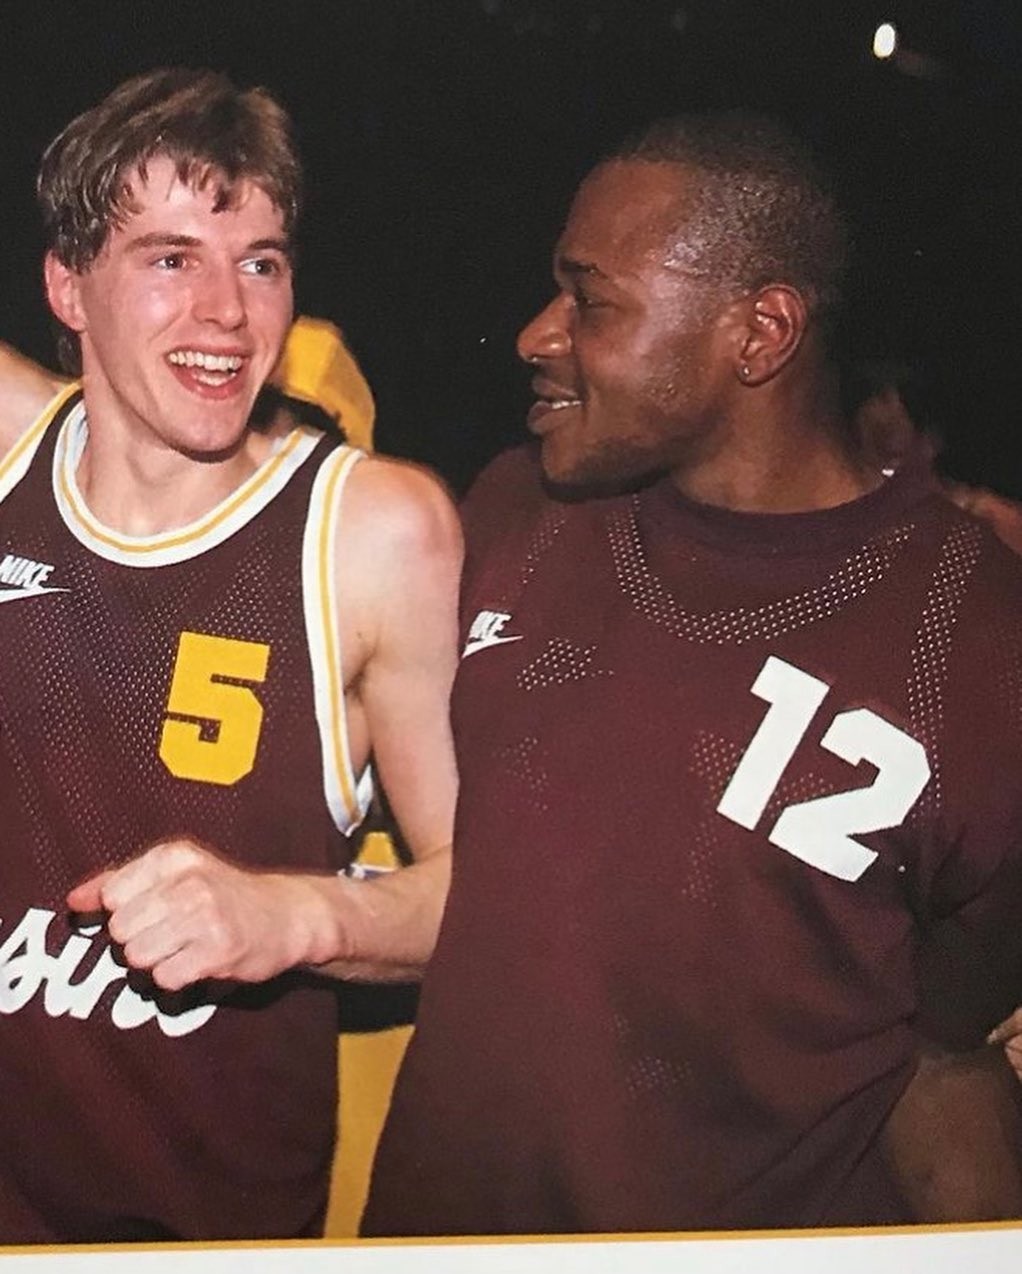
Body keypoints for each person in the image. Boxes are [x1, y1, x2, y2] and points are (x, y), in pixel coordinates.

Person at [362, 112, 1022, 1236]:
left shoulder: (975, 642)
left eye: (591, 300)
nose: (535, 334)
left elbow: (944, 1048)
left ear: (759, 334)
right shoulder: (517, 511)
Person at [0, 67, 460, 1242]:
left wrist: (293, 916)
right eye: (170, 259)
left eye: (259, 263)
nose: (226, 313)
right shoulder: (11, 454)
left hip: (204, 1233)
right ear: (67, 286)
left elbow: (489, 899)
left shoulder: (371, 533)